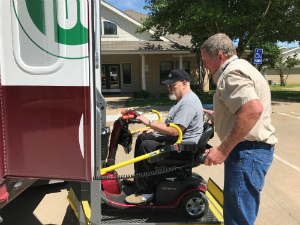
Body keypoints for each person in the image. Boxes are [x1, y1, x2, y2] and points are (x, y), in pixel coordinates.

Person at [200, 33, 278, 225]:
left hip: (247, 152)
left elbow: (252, 110)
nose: (204, 66)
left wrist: (222, 150)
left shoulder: (230, 73)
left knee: (237, 219)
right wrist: (218, 116)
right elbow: (244, 109)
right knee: (238, 214)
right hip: (251, 153)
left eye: (205, 60)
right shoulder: (243, 67)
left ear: (219, 56)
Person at [125, 69, 204, 205]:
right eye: (168, 86)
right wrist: (154, 130)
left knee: (146, 147)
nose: (169, 88)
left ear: (184, 84)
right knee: (143, 138)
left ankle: (146, 193)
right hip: (177, 141)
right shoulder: (181, 100)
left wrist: (149, 122)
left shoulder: (188, 103)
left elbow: (174, 131)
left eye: (172, 85)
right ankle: (140, 179)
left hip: (183, 148)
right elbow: (170, 125)